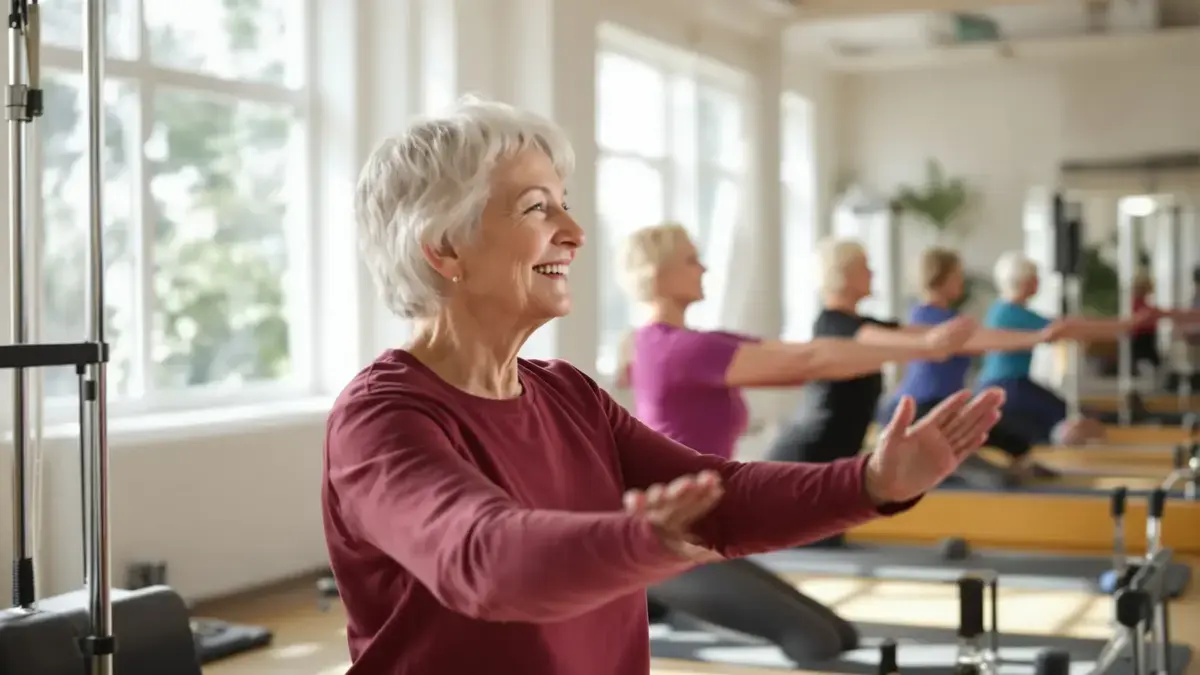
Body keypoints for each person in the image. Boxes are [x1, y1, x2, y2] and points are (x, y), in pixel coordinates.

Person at [324, 97, 1006, 675]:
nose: (574, 231)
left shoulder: (568, 393)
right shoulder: (381, 418)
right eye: (538, 209)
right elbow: (483, 557)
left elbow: (723, 495)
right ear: (444, 248)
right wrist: (634, 540)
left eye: (565, 204)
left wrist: (872, 481)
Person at [616, 223, 980, 461]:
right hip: (679, 523)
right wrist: (926, 348)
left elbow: (796, 354)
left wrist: (927, 346)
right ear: (658, 273)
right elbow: (810, 361)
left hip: (695, 510)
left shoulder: (664, 342)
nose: (705, 269)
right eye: (692, 260)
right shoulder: (681, 350)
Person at [880, 247, 1070, 476]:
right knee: (995, 476)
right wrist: (1039, 337)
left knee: (1014, 442)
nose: (962, 281)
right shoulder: (931, 319)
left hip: (944, 408)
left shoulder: (932, 315)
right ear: (942, 277)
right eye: (957, 275)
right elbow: (987, 339)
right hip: (921, 411)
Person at [976, 251, 1147, 444]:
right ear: (1024, 281)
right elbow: (1067, 328)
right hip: (1009, 386)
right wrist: (1124, 325)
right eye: (1035, 278)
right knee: (1069, 422)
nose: (1038, 283)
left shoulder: (1002, 309)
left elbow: (1065, 328)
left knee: (1063, 420)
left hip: (1005, 384)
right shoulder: (1010, 312)